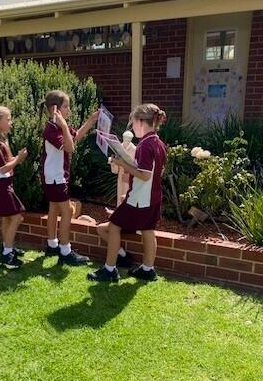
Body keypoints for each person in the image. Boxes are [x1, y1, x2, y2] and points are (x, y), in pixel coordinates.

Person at [88, 103, 167, 282]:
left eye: (133, 124)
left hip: (138, 198)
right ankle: (148, 269)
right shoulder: (158, 143)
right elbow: (157, 172)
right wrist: (130, 164)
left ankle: (110, 270)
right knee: (148, 230)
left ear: (140, 122)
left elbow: (145, 175)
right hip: (152, 197)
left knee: (114, 226)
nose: (132, 128)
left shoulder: (145, 145)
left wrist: (123, 164)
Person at [40, 90, 98, 266]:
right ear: (55, 109)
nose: (69, 110)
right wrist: (64, 126)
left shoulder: (57, 126)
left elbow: (76, 136)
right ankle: (65, 251)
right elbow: (70, 147)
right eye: (66, 107)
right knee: (67, 211)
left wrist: (91, 120)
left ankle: (52, 245)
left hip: (53, 177)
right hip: (56, 178)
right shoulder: (52, 129)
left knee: (53, 209)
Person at [0, 105, 27, 269]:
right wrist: (18, 159)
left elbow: (5, 164)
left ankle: (6, 247)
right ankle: (7, 255)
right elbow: (3, 169)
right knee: (17, 217)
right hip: (1, 185)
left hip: (2, 183)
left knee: (7, 217)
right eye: (7, 119)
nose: (11, 122)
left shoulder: (1, 140)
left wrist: (16, 158)